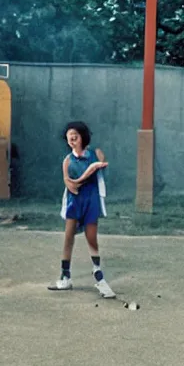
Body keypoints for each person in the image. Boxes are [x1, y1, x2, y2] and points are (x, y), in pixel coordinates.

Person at [47, 121, 116, 299]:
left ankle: (99, 277)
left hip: (91, 200)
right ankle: (65, 276)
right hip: (74, 201)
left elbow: (100, 169)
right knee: (68, 237)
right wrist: (76, 182)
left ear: (82, 137)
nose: (72, 141)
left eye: (75, 137)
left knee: (91, 238)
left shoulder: (96, 153)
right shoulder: (67, 161)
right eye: (69, 138)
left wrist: (90, 172)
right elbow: (71, 186)